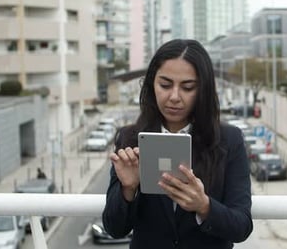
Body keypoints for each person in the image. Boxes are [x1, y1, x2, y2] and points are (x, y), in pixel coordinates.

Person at [102, 39, 253, 249]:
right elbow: (114, 227)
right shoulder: (130, 139)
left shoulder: (229, 140)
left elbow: (242, 226)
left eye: (188, 87)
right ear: (151, 84)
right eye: (164, 85)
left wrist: (204, 206)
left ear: (203, 90)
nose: (174, 97)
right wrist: (128, 190)